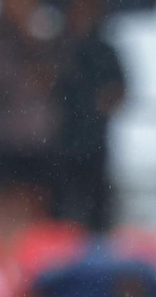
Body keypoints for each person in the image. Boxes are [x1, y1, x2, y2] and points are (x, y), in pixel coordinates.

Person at [52, 0, 127, 231]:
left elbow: (120, 91)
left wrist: (108, 99)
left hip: (94, 141)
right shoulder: (57, 47)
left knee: (98, 211)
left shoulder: (106, 51)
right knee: (61, 211)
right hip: (59, 142)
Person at [0, 0, 60, 212]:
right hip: (10, 138)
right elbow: (26, 80)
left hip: (40, 140)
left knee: (38, 202)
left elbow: (53, 75)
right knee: (9, 201)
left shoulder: (43, 39)